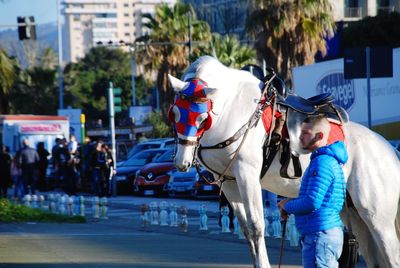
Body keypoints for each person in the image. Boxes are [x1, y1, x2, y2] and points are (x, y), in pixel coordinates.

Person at [278, 115, 348, 268]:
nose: (300, 137)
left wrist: (286, 206)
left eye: (306, 133)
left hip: (320, 234)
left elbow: (312, 201)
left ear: (319, 136)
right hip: (320, 233)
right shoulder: (323, 160)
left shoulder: (321, 162)